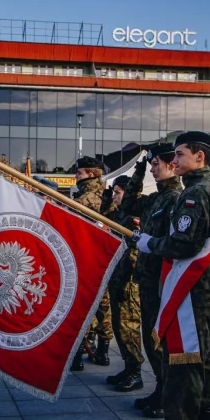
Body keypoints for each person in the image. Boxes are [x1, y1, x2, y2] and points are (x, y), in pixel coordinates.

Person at [133, 131, 210, 420]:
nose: (175, 161)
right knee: (197, 360)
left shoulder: (196, 195)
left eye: (180, 154)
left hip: (190, 294)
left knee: (183, 365)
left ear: (199, 157)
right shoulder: (202, 191)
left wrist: (148, 245)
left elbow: (181, 246)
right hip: (197, 292)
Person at [122, 143, 182, 418]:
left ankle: (166, 394)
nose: (153, 168)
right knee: (150, 339)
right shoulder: (156, 198)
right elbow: (129, 205)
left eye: (156, 163)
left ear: (172, 165)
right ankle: (160, 389)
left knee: (161, 343)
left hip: (162, 283)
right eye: (152, 164)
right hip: (146, 281)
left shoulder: (176, 198)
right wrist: (140, 168)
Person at [69, 156, 114, 371]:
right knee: (104, 307)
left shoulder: (82, 201)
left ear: (91, 174)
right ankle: (103, 353)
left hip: (84, 261)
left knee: (82, 308)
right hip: (104, 261)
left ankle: (77, 356)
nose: (76, 177)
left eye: (79, 173)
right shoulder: (109, 198)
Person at [105, 174, 145, 392]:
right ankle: (129, 368)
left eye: (117, 192)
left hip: (129, 282)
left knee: (129, 327)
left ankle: (135, 372)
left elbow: (136, 249)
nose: (114, 196)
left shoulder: (133, 217)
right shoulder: (120, 214)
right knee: (120, 327)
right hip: (118, 277)